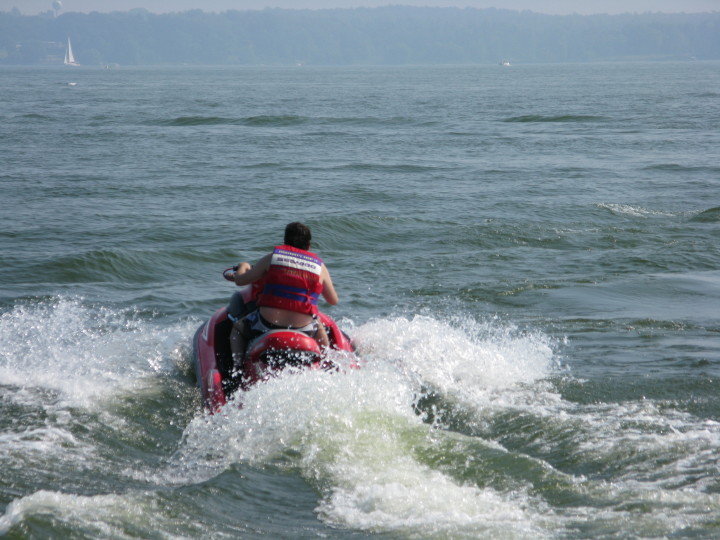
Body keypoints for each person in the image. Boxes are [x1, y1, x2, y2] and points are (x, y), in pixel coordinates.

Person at [228, 222, 339, 367]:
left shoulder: (272, 258)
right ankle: (326, 363)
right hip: (304, 328)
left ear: (285, 241)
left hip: (267, 325)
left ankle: (237, 368)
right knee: (318, 326)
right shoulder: (319, 267)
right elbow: (333, 300)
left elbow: (240, 280)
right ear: (309, 245)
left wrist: (243, 267)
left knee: (237, 329)